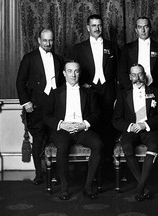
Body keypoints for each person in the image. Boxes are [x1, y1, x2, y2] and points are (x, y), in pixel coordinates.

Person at [43, 61, 103, 201]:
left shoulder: (88, 93)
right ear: (64, 73)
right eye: (69, 71)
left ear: (79, 73)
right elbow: (46, 115)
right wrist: (61, 125)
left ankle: (88, 188)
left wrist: (84, 125)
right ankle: (64, 188)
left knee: (98, 144)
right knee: (62, 146)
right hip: (62, 130)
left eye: (76, 71)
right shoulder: (55, 93)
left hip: (82, 129)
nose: (73, 74)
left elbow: (96, 114)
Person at [112, 64, 158, 202]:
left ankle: (140, 187)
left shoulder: (155, 92)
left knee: (154, 146)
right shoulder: (123, 94)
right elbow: (116, 119)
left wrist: (145, 124)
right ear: (130, 77)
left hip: (150, 129)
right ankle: (144, 186)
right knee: (126, 145)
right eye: (134, 75)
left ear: (145, 75)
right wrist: (130, 126)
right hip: (132, 129)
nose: (138, 78)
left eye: (140, 74)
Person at [16, 29, 65, 185]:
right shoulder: (29, 58)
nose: (48, 43)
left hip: (55, 108)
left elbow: (63, 84)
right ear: (38, 40)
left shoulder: (58, 59)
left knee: (57, 140)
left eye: (50, 41)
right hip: (36, 106)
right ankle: (39, 175)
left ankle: (56, 174)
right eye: (45, 40)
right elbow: (20, 82)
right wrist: (26, 102)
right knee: (38, 141)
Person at [72, 14, 119, 165]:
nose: (97, 28)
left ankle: (108, 163)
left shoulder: (113, 46)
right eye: (93, 25)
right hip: (89, 91)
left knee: (109, 125)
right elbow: (73, 71)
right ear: (88, 28)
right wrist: (83, 85)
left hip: (109, 90)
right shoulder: (79, 48)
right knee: (93, 124)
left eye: (99, 25)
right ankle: (94, 164)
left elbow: (119, 71)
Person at [118, 16, 158, 91]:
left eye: (146, 27)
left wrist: (155, 90)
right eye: (140, 27)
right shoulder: (127, 48)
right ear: (136, 30)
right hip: (132, 89)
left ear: (150, 29)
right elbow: (122, 72)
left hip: (154, 88)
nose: (143, 30)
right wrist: (131, 88)